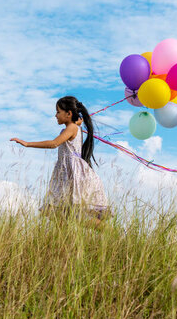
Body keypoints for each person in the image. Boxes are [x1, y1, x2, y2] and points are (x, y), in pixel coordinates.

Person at [10, 96, 111, 229]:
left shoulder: (72, 128)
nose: (56, 115)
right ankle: (63, 242)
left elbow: (54, 144)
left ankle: (107, 230)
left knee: (70, 214)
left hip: (73, 173)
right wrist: (77, 123)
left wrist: (27, 143)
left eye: (58, 112)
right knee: (58, 212)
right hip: (66, 173)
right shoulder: (74, 127)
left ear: (68, 114)